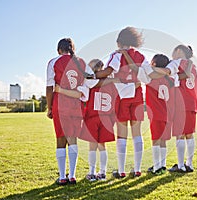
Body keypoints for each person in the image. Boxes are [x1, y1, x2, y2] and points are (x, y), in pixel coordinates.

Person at [55, 59, 137, 181]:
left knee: (92, 147)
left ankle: (92, 173)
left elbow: (82, 94)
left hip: (93, 117)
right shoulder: (112, 83)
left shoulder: (89, 82)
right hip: (107, 119)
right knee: (102, 146)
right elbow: (127, 90)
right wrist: (136, 84)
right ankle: (102, 173)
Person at [95, 27, 149, 178]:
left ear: (119, 42)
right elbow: (147, 74)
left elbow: (108, 71)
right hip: (138, 94)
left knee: (122, 134)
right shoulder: (140, 55)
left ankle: (121, 171)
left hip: (121, 96)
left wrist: (91, 75)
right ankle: (137, 169)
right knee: (137, 134)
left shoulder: (116, 55)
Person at [120, 52, 175, 175]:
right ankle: (163, 164)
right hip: (168, 114)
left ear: (154, 64)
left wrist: (125, 54)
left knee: (156, 140)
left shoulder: (150, 78)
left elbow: (134, 67)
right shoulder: (171, 78)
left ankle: (157, 167)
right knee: (163, 141)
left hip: (156, 114)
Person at [46, 38, 91, 185]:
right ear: (73, 48)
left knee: (60, 139)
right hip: (76, 105)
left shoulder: (54, 62)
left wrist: (49, 107)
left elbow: (49, 87)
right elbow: (91, 79)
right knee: (73, 139)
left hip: (61, 104)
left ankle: (62, 177)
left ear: (59, 49)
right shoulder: (81, 62)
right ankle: (72, 175)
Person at [167, 45, 197, 173]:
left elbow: (168, 76)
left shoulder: (176, 63)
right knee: (190, 135)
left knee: (180, 135)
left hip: (180, 102)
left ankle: (180, 165)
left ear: (179, 51)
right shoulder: (194, 67)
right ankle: (189, 164)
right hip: (191, 102)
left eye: (173, 51)